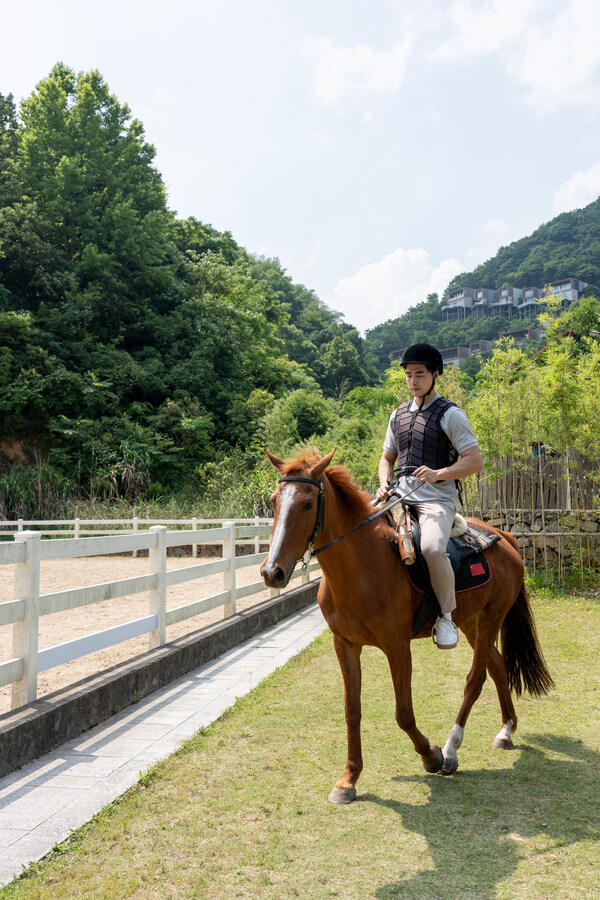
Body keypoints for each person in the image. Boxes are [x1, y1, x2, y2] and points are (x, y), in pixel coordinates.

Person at [376, 343, 483, 649]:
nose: (413, 381)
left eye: (419, 375)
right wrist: (384, 482)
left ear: (436, 374)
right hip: (398, 496)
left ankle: (446, 618)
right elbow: (387, 458)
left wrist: (439, 473)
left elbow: (474, 461)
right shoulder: (397, 415)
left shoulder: (451, 415)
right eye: (408, 375)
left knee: (433, 549)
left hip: (437, 498)